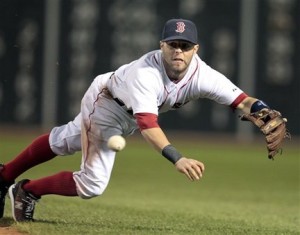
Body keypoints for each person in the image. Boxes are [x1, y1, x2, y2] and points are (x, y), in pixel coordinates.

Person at [0, 18, 280, 222]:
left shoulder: (204, 76)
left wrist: (265, 112)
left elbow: (242, 101)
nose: (178, 51)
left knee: (66, 139)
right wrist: (177, 158)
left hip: (125, 112)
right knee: (92, 184)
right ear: (162, 45)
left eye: (185, 45)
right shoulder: (146, 73)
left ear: (196, 49)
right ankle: (27, 191)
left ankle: (4, 175)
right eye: (172, 44)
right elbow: (148, 125)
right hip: (108, 103)